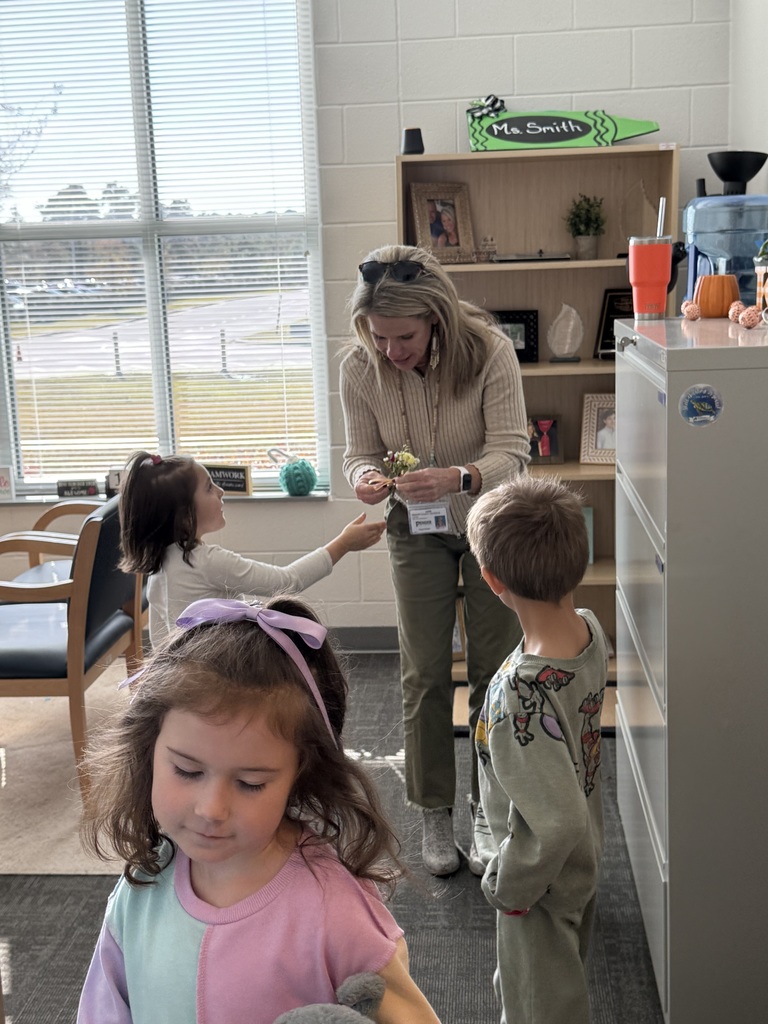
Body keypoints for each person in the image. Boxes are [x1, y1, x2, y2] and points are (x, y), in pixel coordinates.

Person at [77, 595, 441, 1024]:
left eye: (250, 783)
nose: (212, 809)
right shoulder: (142, 886)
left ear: (300, 775)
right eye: (187, 771)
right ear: (148, 751)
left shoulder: (335, 910)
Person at [340, 244, 529, 877]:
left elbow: (514, 451)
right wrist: (365, 477)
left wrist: (459, 476)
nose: (391, 350)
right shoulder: (358, 367)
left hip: (489, 523)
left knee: (493, 671)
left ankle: (489, 808)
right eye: (379, 336)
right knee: (423, 674)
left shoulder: (490, 352)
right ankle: (433, 810)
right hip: (414, 529)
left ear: (436, 318)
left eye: (405, 337)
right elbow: (359, 452)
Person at [465, 475, 609, 1024]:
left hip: (539, 884)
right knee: (548, 986)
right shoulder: (588, 630)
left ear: (491, 579)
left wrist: (509, 886)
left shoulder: (520, 693)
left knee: (537, 1007)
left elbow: (557, 821)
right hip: (580, 861)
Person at [118, 451, 385, 646]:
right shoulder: (206, 562)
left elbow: (161, 644)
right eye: (209, 488)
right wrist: (343, 544)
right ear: (184, 516)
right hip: (219, 673)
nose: (221, 491)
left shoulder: (159, 567)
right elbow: (286, 581)